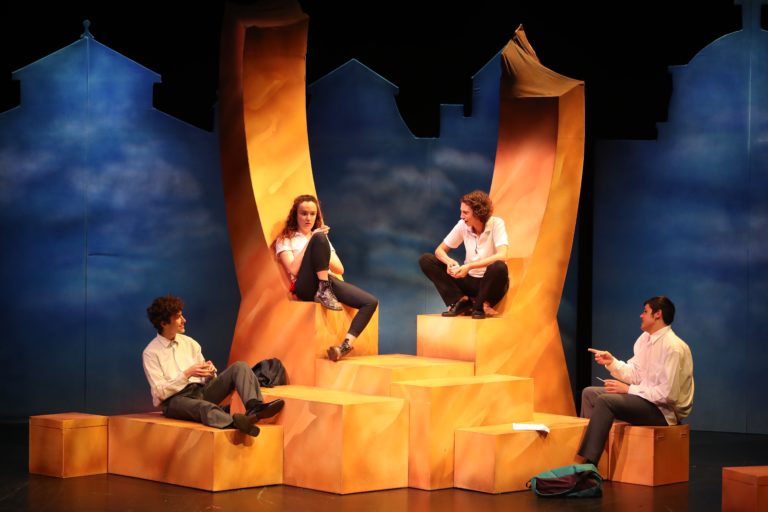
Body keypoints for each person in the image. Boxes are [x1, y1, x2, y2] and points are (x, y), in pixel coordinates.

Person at [142, 294, 284, 437]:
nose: (184, 320)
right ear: (164, 323)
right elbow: (159, 393)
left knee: (240, 366)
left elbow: (204, 378)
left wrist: (210, 373)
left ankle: (254, 407)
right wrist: (186, 374)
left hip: (200, 391)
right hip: (175, 401)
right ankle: (235, 422)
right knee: (204, 407)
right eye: (178, 317)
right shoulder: (151, 353)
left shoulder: (190, 343)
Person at [578, 296, 694, 465]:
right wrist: (612, 362)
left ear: (658, 314)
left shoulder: (673, 347)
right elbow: (636, 375)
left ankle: (588, 464)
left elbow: (668, 395)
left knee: (605, 401)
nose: (641, 315)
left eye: (645, 311)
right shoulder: (644, 340)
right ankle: (600, 457)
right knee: (589, 394)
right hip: (643, 400)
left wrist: (628, 390)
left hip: (664, 412)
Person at [275, 194, 379, 362]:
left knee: (370, 302)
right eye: (304, 213)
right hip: (305, 285)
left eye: (312, 214)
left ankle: (344, 346)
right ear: (296, 215)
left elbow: (339, 268)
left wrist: (321, 248)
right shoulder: (286, 239)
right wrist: (312, 241)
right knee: (318, 239)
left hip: (327, 280)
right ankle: (324, 289)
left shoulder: (320, 237)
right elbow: (293, 269)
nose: (308, 218)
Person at [419, 190, 509, 319]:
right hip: (470, 280)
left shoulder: (496, 223)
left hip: (490, 284)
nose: (461, 216)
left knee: (499, 266)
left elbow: (502, 255)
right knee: (426, 260)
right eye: (461, 212)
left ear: (478, 212)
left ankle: (479, 306)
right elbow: (439, 250)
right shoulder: (462, 225)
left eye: (465, 212)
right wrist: (449, 262)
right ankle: (461, 301)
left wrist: (470, 266)